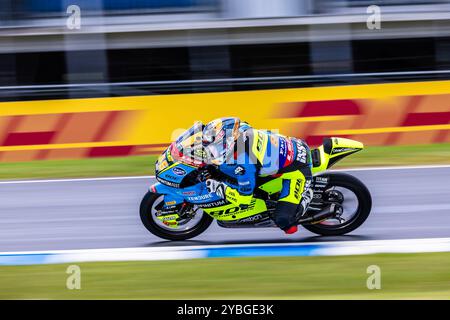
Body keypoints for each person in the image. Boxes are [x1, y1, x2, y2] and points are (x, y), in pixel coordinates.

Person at [200, 117, 313, 234]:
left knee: (285, 222)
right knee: (226, 170)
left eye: (216, 147)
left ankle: (306, 196)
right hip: (293, 145)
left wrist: (218, 187)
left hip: (298, 169)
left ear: (228, 142)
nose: (213, 152)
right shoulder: (241, 129)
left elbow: (244, 200)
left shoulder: (245, 163)